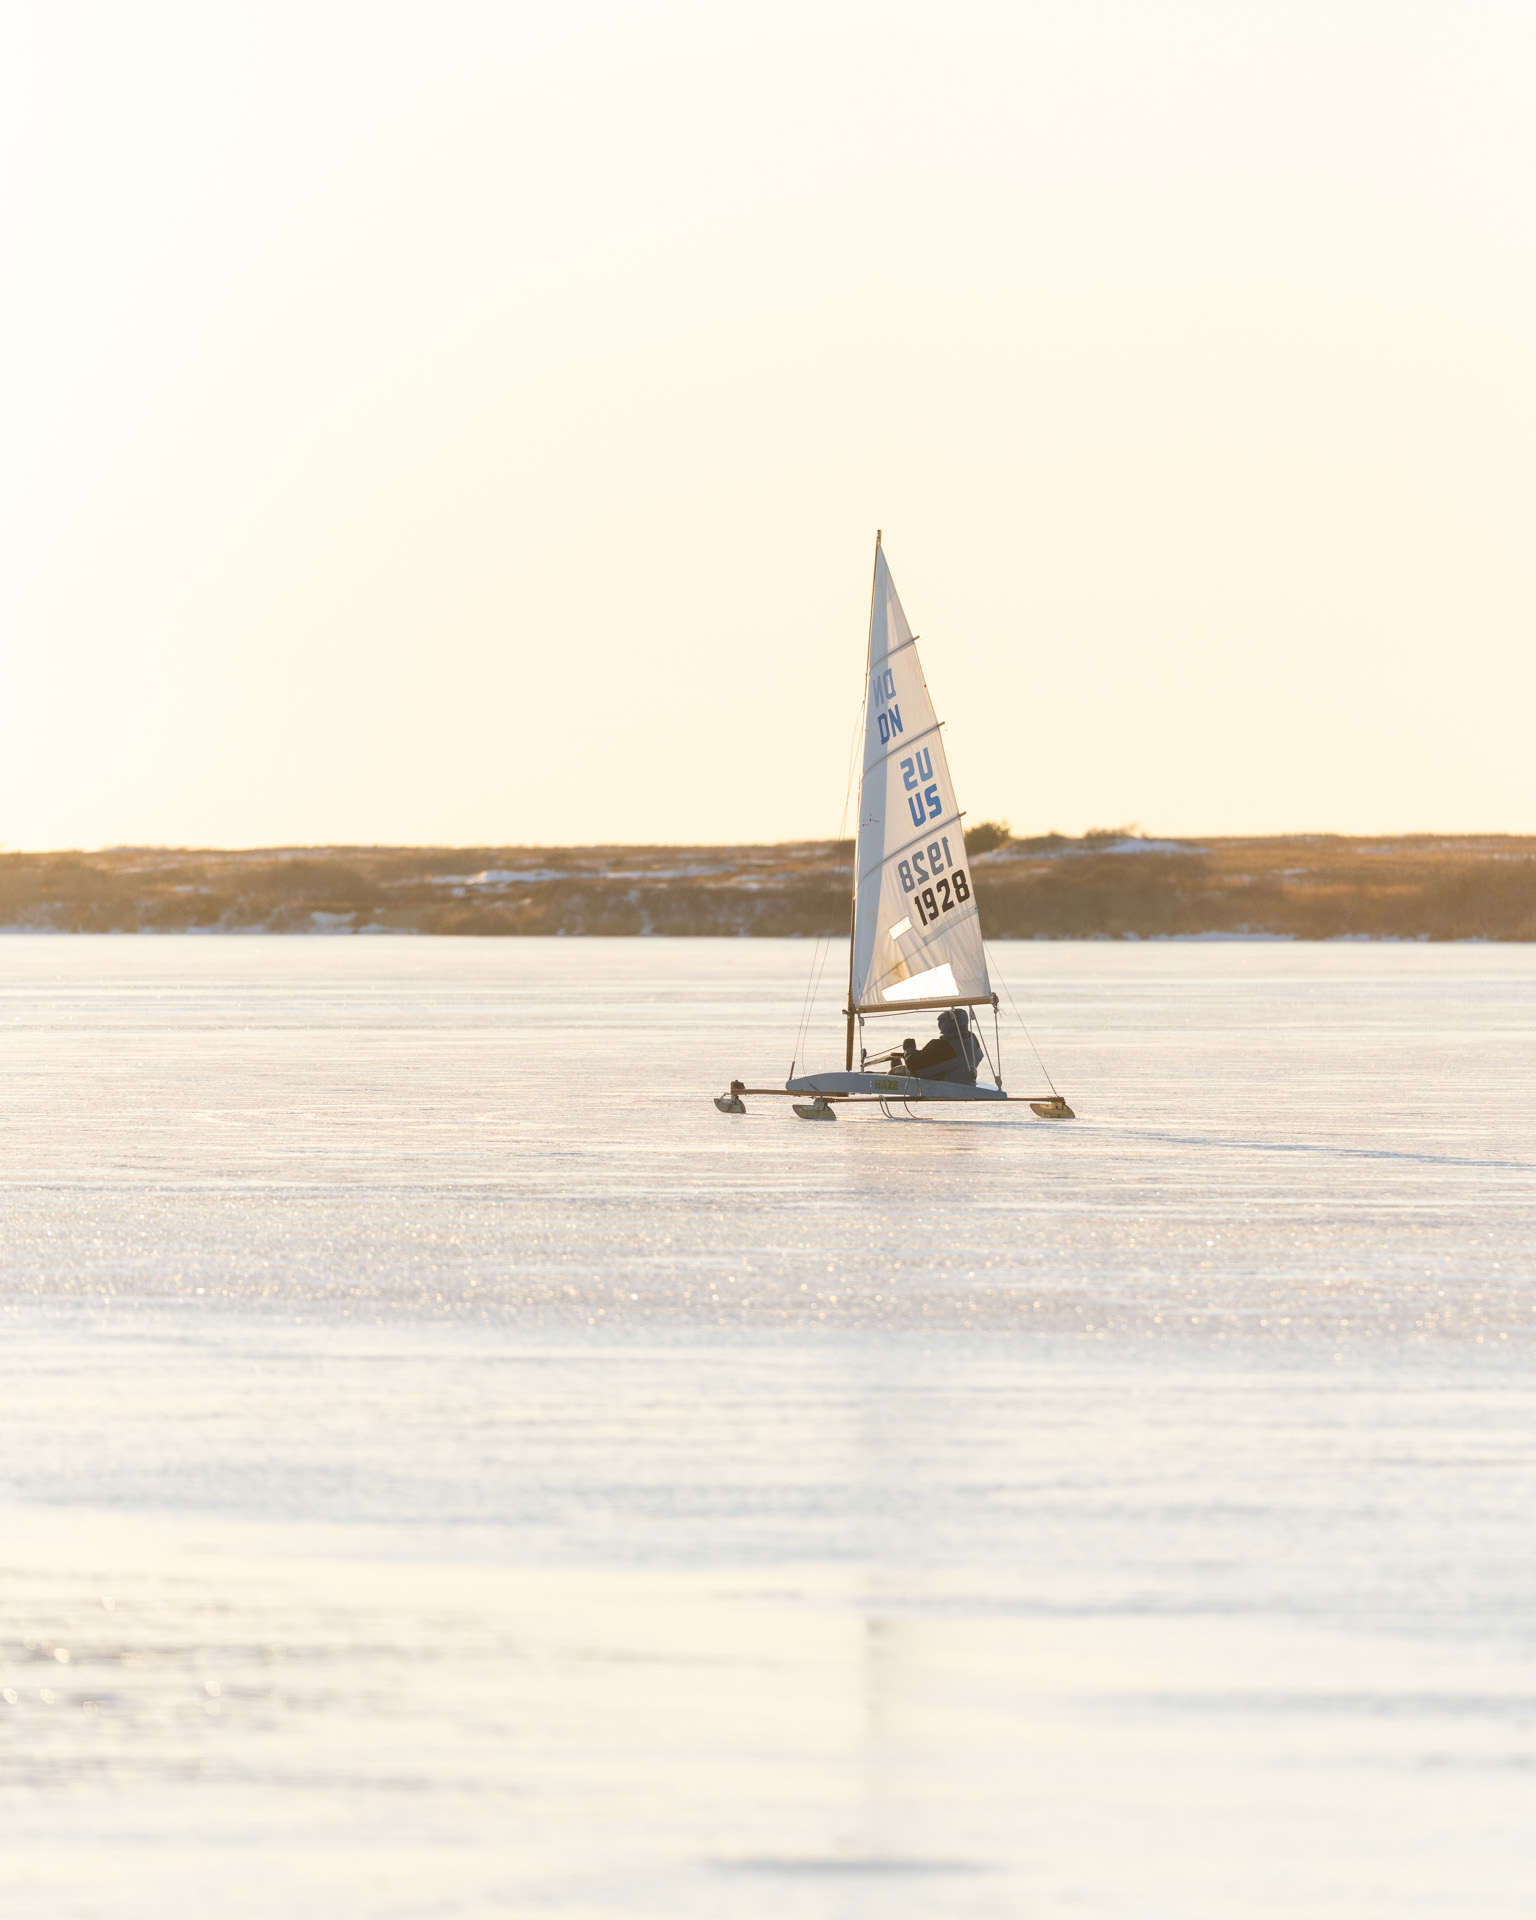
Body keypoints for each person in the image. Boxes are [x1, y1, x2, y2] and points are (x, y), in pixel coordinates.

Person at [901, 1007, 982, 1084]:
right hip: (963, 1079)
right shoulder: (972, 1039)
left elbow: (914, 1067)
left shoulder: (940, 1045)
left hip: (940, 1079)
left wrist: (909, 1049)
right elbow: (979, 1055)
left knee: (898, 1070)